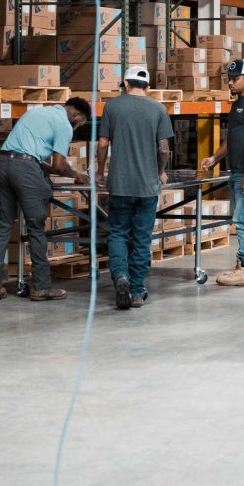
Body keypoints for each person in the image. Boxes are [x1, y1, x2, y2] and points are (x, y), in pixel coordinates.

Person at [0, 96, 92, 303]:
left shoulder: (37, 112)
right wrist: (76, 175)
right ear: (76, 114)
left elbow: (36, 159)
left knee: (3, 226)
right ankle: (41, 287)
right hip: (25, 170)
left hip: (4, 163)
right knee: (36, 228)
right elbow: (59, 165)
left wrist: (67, 172)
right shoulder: (64, 125)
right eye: (81, 122)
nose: (78, 126)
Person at [95, 64, 173, 310]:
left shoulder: (112, 106)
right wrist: (159, 172)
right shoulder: (158, 109)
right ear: (147, 86)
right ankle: (137, 291)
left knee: (118, 232)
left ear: (126, 84)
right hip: (147, 187)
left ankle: (121, 276)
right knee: (141, 238)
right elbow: (164, 148)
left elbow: (102, 143)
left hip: (119, 184)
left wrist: (99, 170)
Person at [202, 57, 244, 287]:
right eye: (228, 79)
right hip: (237, 170)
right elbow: (232, 140)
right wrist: (214, 158)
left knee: (243, 219)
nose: (230, 82)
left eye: (234, 78)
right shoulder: (237, 104)